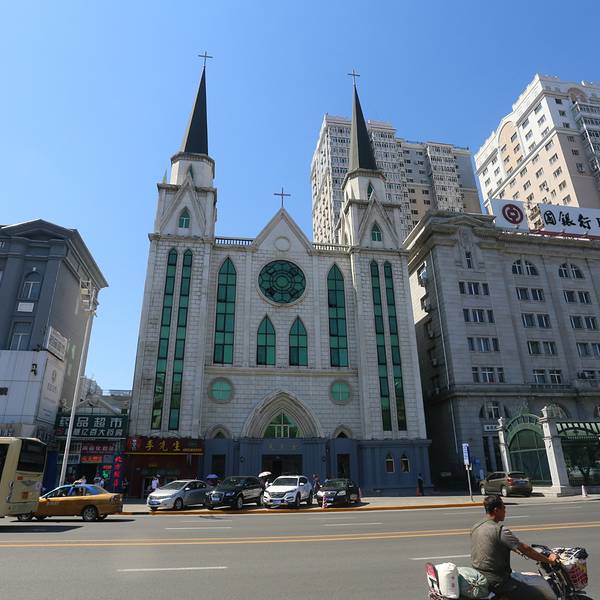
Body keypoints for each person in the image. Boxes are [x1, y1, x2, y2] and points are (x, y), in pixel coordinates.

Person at [471, 496, 558, 599]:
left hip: (478, 576)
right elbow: (526, 550)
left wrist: (516, 550)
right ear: (496, 510)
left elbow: (491, 545)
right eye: (504, 508)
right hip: (497, 580)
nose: (505, 511)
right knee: (540, 595)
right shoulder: (500, 530)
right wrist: (550, 561)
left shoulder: (476, 527)